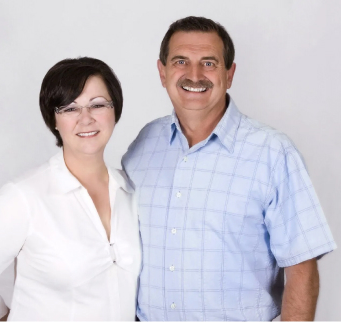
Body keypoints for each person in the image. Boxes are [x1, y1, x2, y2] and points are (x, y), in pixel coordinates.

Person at [122, 16, 336, 321]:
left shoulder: (272, 153)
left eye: (208, 63)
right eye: (181, 61)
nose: (194, 75)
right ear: (163, 71)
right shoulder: (143, 146)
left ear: (229, 73)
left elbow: (302, 269)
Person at [0, 57, 141, 321]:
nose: (86, 119)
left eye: (97, 105)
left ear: (114, 111)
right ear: (53, 119)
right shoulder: (24, 196)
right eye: (70, 109)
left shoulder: (131, 191)